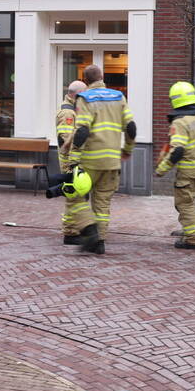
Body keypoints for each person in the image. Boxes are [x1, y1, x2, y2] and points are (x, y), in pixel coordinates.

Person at [68, 64, 136, 254]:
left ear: (85, 80)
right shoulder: (119, 96)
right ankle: (100, 242)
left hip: (90, 160)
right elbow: (131, 127)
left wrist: (73, 158)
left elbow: (82, 130)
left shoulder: (85, 98)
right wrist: (127, 149)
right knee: (103, 203)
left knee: (74, 196)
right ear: (102, 77)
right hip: (112, 161)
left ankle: (89, 230)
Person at [155, 81, 195, 250]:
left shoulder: (180, 122)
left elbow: (178, 151)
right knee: (189, 203)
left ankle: (192, 239)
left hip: (188, 171)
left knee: (185, 204)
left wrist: (162, 169)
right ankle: (189, 233)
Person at [56, 79, 87, 245]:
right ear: (75, 95)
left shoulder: (74, 109)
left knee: (76, 197)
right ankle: (70, 233)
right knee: (72, 196)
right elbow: (66, 138)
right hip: (69, 162)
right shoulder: (67, 113)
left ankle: (75, 229)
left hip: (73, 162)